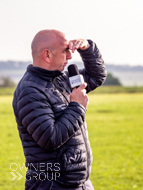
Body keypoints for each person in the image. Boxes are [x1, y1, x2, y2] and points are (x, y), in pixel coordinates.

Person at [12, 29, 107, 190]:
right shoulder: (30, 90)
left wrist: (87, 48)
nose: (70, 56)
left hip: (80, 183)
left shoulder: (62, 79)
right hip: (52, 185)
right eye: (65, 51)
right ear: (47, 55)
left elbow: (97, 76)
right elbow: (50, 138)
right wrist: (77, 106)